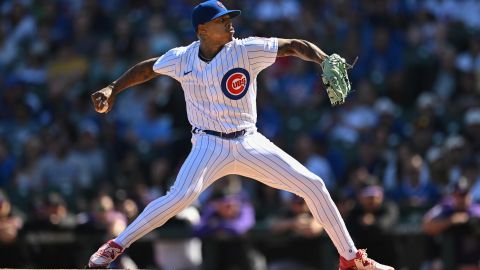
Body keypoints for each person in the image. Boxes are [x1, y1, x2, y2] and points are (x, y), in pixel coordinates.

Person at [87, 1, 394, 269]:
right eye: (222, 20)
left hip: (249, 141)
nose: (229, 23)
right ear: (202, 30)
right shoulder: (182, 58)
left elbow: (293, 44)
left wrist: (324, 58)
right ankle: (115, 246)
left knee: (313, 185)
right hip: (208, 144)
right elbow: (148, 68)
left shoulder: (246, 50)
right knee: (180, 197)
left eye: (228, 18)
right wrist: (113, 87)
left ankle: (350, 259)